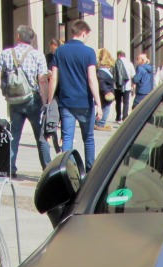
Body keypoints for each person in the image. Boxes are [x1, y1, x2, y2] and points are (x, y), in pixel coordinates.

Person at [0, 25, 51, 178]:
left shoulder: (6, 53)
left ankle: (10, 168)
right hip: (33, 99)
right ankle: (47, 168)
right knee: (41, 137)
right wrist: (45, 102)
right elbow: (43, 81)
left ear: (18, 36)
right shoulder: (38, 55)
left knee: (14, 135)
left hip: (14, 101)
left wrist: (6, 91)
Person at [49, 20, 103, 168]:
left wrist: (49, 101)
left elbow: (54, 77)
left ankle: (67, 169)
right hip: (85, 102)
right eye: (87, 36)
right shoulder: (89, 52)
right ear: (84, 33)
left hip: (66, 102)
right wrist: (98, 103)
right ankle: (90, 169)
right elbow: (92, 78)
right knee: (89, 139)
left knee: (67, 138)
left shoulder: (60, 51)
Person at [95, 49, 118, 129]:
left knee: (105, 108)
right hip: (105, 95)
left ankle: (99, 122)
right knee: (105, 109)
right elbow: (102, 83)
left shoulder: (105, 70)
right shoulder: (101, 72)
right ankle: (100, 123)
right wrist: (107, 92)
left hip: (107, 93)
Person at [113, 51, 135, 122]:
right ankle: (125, 117)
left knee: (118, 101)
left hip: (117, 86)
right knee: (126, 102)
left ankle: (118, 117)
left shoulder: (115, 63)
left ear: (119, 55)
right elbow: (133, 75)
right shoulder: (129, 63)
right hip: (127, 86)